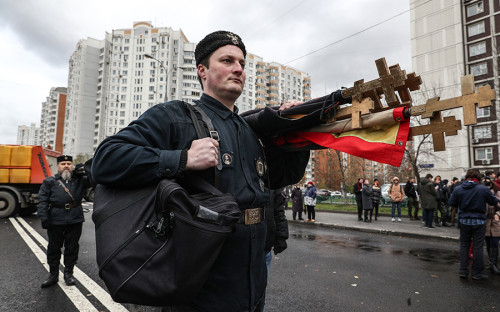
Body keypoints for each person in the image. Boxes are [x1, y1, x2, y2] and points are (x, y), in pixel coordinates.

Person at [91, 31, 311, 312]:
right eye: (227, 60)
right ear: (202, 70)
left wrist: (298, 133)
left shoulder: (249, 129)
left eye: (242, 63)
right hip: (202, 278)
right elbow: (107, 159)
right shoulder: (176, 116)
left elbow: (280, 179)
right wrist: (183, 158)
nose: (238, 69)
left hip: (252, 273)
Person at [37, 155, 90, 288]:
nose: (66, 166)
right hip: (55, 218)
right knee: (54, 248)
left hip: (75, 218)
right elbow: (42, 201)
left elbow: (94, 178)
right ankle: (53, 275)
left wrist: (83, 169)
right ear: (58, 166)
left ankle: (68, 274)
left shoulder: (80, 180)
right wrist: (44, 218)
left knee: (72, 248)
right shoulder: (50, 181)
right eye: (63, 164)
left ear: (72, 166)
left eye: (69, 163)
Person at [448, 169, 499, 280]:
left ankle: (463, 271)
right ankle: (477, 273)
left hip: (464, 220)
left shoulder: (458, 188)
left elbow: (451, 203)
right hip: (479, 220)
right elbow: (494, 202)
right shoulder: (483, 189)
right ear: (478, 178)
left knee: (464, 246)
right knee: (478, 247)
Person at [485, 180, 500, 275]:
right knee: (488, 244)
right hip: (486, 222)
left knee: (494, 243)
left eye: (488, 184)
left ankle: (494, 264)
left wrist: (498, 214)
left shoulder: (498, 193)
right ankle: (491, 263)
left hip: (496, 222)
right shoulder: (482, 194)